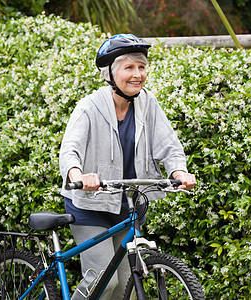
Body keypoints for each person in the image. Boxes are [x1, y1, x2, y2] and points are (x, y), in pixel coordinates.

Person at [59, 34, 196, 300]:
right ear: (109, 74)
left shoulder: (148, 103)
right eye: (129, 67)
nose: (138, 74)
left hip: (127, 204)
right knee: (102, 281)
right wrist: (78, 175)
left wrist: (178, 171)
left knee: (126, 288)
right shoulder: (89, 107)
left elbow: (169, 145)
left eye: (142, 67)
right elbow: (70, 150)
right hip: (91, 204)